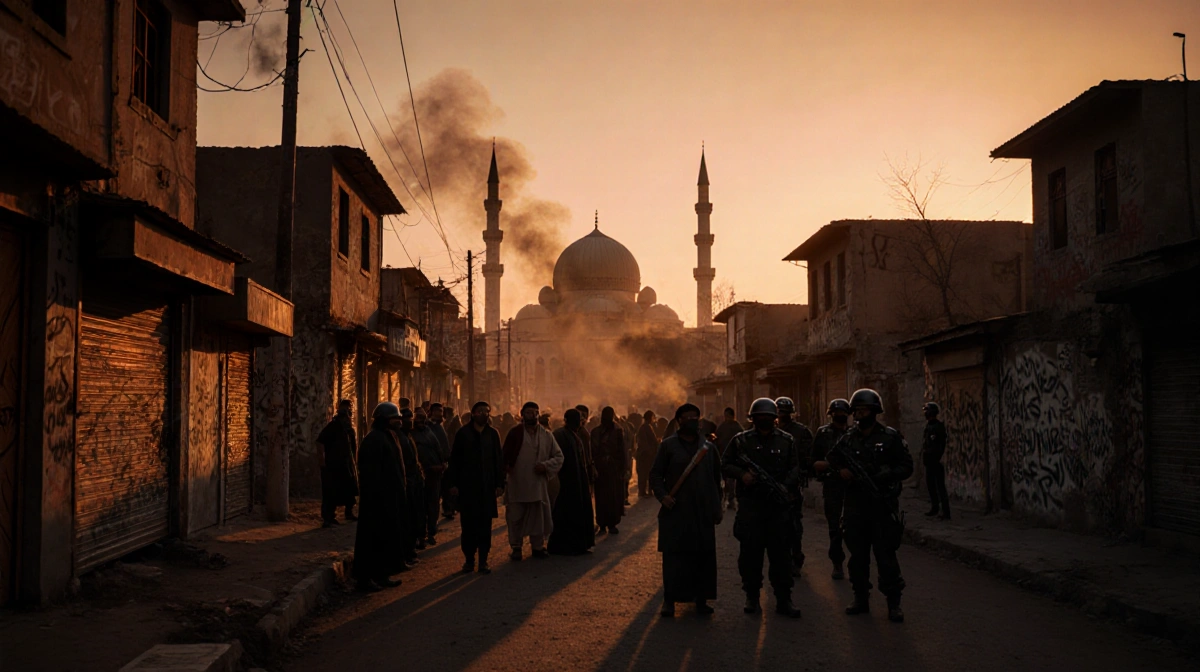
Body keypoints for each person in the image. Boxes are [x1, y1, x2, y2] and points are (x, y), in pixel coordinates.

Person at [815, 388, 913, 623]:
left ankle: (893, 603)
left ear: (874, 411)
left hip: (881, 506)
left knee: (886, 557)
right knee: (858, 558)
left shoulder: (890, 437)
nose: (859, 414)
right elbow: (831, 460)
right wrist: (841, 471)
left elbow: (907, 467)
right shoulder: (848, 438)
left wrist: (885, 474)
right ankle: (860, 599)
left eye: (863, 409)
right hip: (855, 507)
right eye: (856, 410)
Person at [722, 398, 802, 618]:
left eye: (768, 417)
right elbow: (725, 464)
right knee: (750, 556)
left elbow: (795, 467)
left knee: (781, 557)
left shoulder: (787, 441)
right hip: (752, 507)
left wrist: (785, 488)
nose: (764, 420)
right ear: (753, 419)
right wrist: (742, 475)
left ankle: (784, 599)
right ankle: (752, 596)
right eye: (760, 417)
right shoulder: (741, 441)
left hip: (778, 508)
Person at [651, 403, 724, 618]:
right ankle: (669, 600)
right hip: (676, 512)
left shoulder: (708, 448)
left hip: (702, 513)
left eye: (696, 417)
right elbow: (655, 475)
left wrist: (717, 506)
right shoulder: (668, 446)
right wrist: (663, 496)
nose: (692, 420)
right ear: (679, 420)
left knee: (703, 558)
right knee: (674, 559)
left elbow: (716, 478)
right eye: (688, 417)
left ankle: (701, 600)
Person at [352, 402, 408, 591]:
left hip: (389, 498)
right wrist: (379, 497)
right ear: (385, 420)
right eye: (394, 418)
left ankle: (381, 575)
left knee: (385, 539)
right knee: (371, 540)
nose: (398, 422)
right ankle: (364, 580)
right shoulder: (374, 440)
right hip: (377, 501)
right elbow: (370, 473)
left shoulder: (389, 437)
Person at [445, 401, 505, 574]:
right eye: (480, 411)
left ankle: (483, 561)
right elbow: (454, 461)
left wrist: (500, 484)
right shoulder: (463, 434)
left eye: (487, 411)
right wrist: (453, 484)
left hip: (487, 489)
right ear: (473, 414)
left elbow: (497, 460)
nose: (484, 414)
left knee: (485, 527)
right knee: (469, 527)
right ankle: (469, 560)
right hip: (467, 489)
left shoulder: (493, 434)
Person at [502, 401, 564, 560]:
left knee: (538, 516)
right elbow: (504, 458)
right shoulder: (514, 433)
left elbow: (559, 457)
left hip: (537, 485)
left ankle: (537, 547)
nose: (533, 416)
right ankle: (516, 547)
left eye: (535, 413)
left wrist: (545, 466)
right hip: (518, 483)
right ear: (522, 415)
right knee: (516, 517)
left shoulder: (547, 435)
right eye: (529, 413)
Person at [811, 398, 852, 579]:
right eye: (836, 414)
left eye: (843, 414)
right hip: (832, 485)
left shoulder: (854, 434)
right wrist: (829, 466)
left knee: (854, 529)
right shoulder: (823, 433)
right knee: (834, 527)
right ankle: (837, 563)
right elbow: (814, 461)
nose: (840, 417)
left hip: (853, 486)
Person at [548, 408, 596, 555]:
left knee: (580, 512)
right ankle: (563, 546)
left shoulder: (576, 434)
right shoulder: (560, 435)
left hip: (579, 479)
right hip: (566, 480)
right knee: (565, 513)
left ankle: (579, 545)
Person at [776, 397, 814, 576]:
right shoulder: (769, 431)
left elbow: (807, 458)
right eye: (779, 412)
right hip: (772, 485)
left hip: (791, 486)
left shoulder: (801, 432)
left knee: (793, 525)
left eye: (784, 412)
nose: (781, 415)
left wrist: (797, 475)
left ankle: (795, 558)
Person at [317, 399, 359, 527]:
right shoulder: (333, 426)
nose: (346, 413)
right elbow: (320, 442)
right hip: (333, 466)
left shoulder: (349, 429)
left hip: (347, 465)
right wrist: (322, 462)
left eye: (348, 409)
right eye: (344, 409)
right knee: (331, 492)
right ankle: (328, 518)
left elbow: (352, 447)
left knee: (349, 489)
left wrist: (354, 463)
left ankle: (348, 512)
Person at [410, 407, 448, 546]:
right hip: (420, 476)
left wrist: (442, 464)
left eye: (422, 419)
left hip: (434, 475)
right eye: (417, 419)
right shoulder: (411, 435)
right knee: (420, 507)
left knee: (433, 506)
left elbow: (439, 448)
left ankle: (431, 532)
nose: (420, 422)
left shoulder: (429, 432)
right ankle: (420, 535)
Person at [591, 407, 628, 534]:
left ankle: (611, 523)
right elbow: (593, 451)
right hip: (601, 470)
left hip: (614, 470)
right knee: (601, 497)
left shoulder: (618, 431)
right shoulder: (596, 432)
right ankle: (602, 524)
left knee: (613, 497)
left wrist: (623, 468)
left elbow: (622, 451)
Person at [398, 408, 425, 557]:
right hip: (408, 481)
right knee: (408, 518)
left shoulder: (408, 436)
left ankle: (411, 548)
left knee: (416, 515)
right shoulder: (400, 438)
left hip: (414, 480)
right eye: (407, 419)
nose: (410, 421)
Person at [922, 402, 950, 520]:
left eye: (926, 411)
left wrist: (936, 457)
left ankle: (946, 512)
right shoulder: (929, 426)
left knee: (940, 487)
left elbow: (940, 445)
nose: (925, 413)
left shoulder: (938, 427)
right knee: (931, 486)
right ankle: (935, 508)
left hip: (935, 461)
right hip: (929, 461)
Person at [715, 408, 744, 510]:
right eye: (725, 416)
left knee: (731, 479)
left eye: (727, 416)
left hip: (734, 457)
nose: (726, 418)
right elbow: (716, 438)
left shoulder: (737, 427)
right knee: (726, 478)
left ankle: (731, 498)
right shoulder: (723, 426)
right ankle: (727, 497)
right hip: (723, 456)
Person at [441, 405, 461, 520]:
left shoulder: (454, 423)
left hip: (452, 455)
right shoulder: (445, 424)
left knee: (450, 483)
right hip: (448, 455)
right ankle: (449, 507)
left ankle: (451, 507)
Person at [635, 410, 660, 498]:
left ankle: (647, 491)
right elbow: (644, 442)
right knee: (645, 473)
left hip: (647, 454)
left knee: (646, 473)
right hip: (645, 455)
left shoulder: (646, 427)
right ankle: (643, 492)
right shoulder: (645, 427)